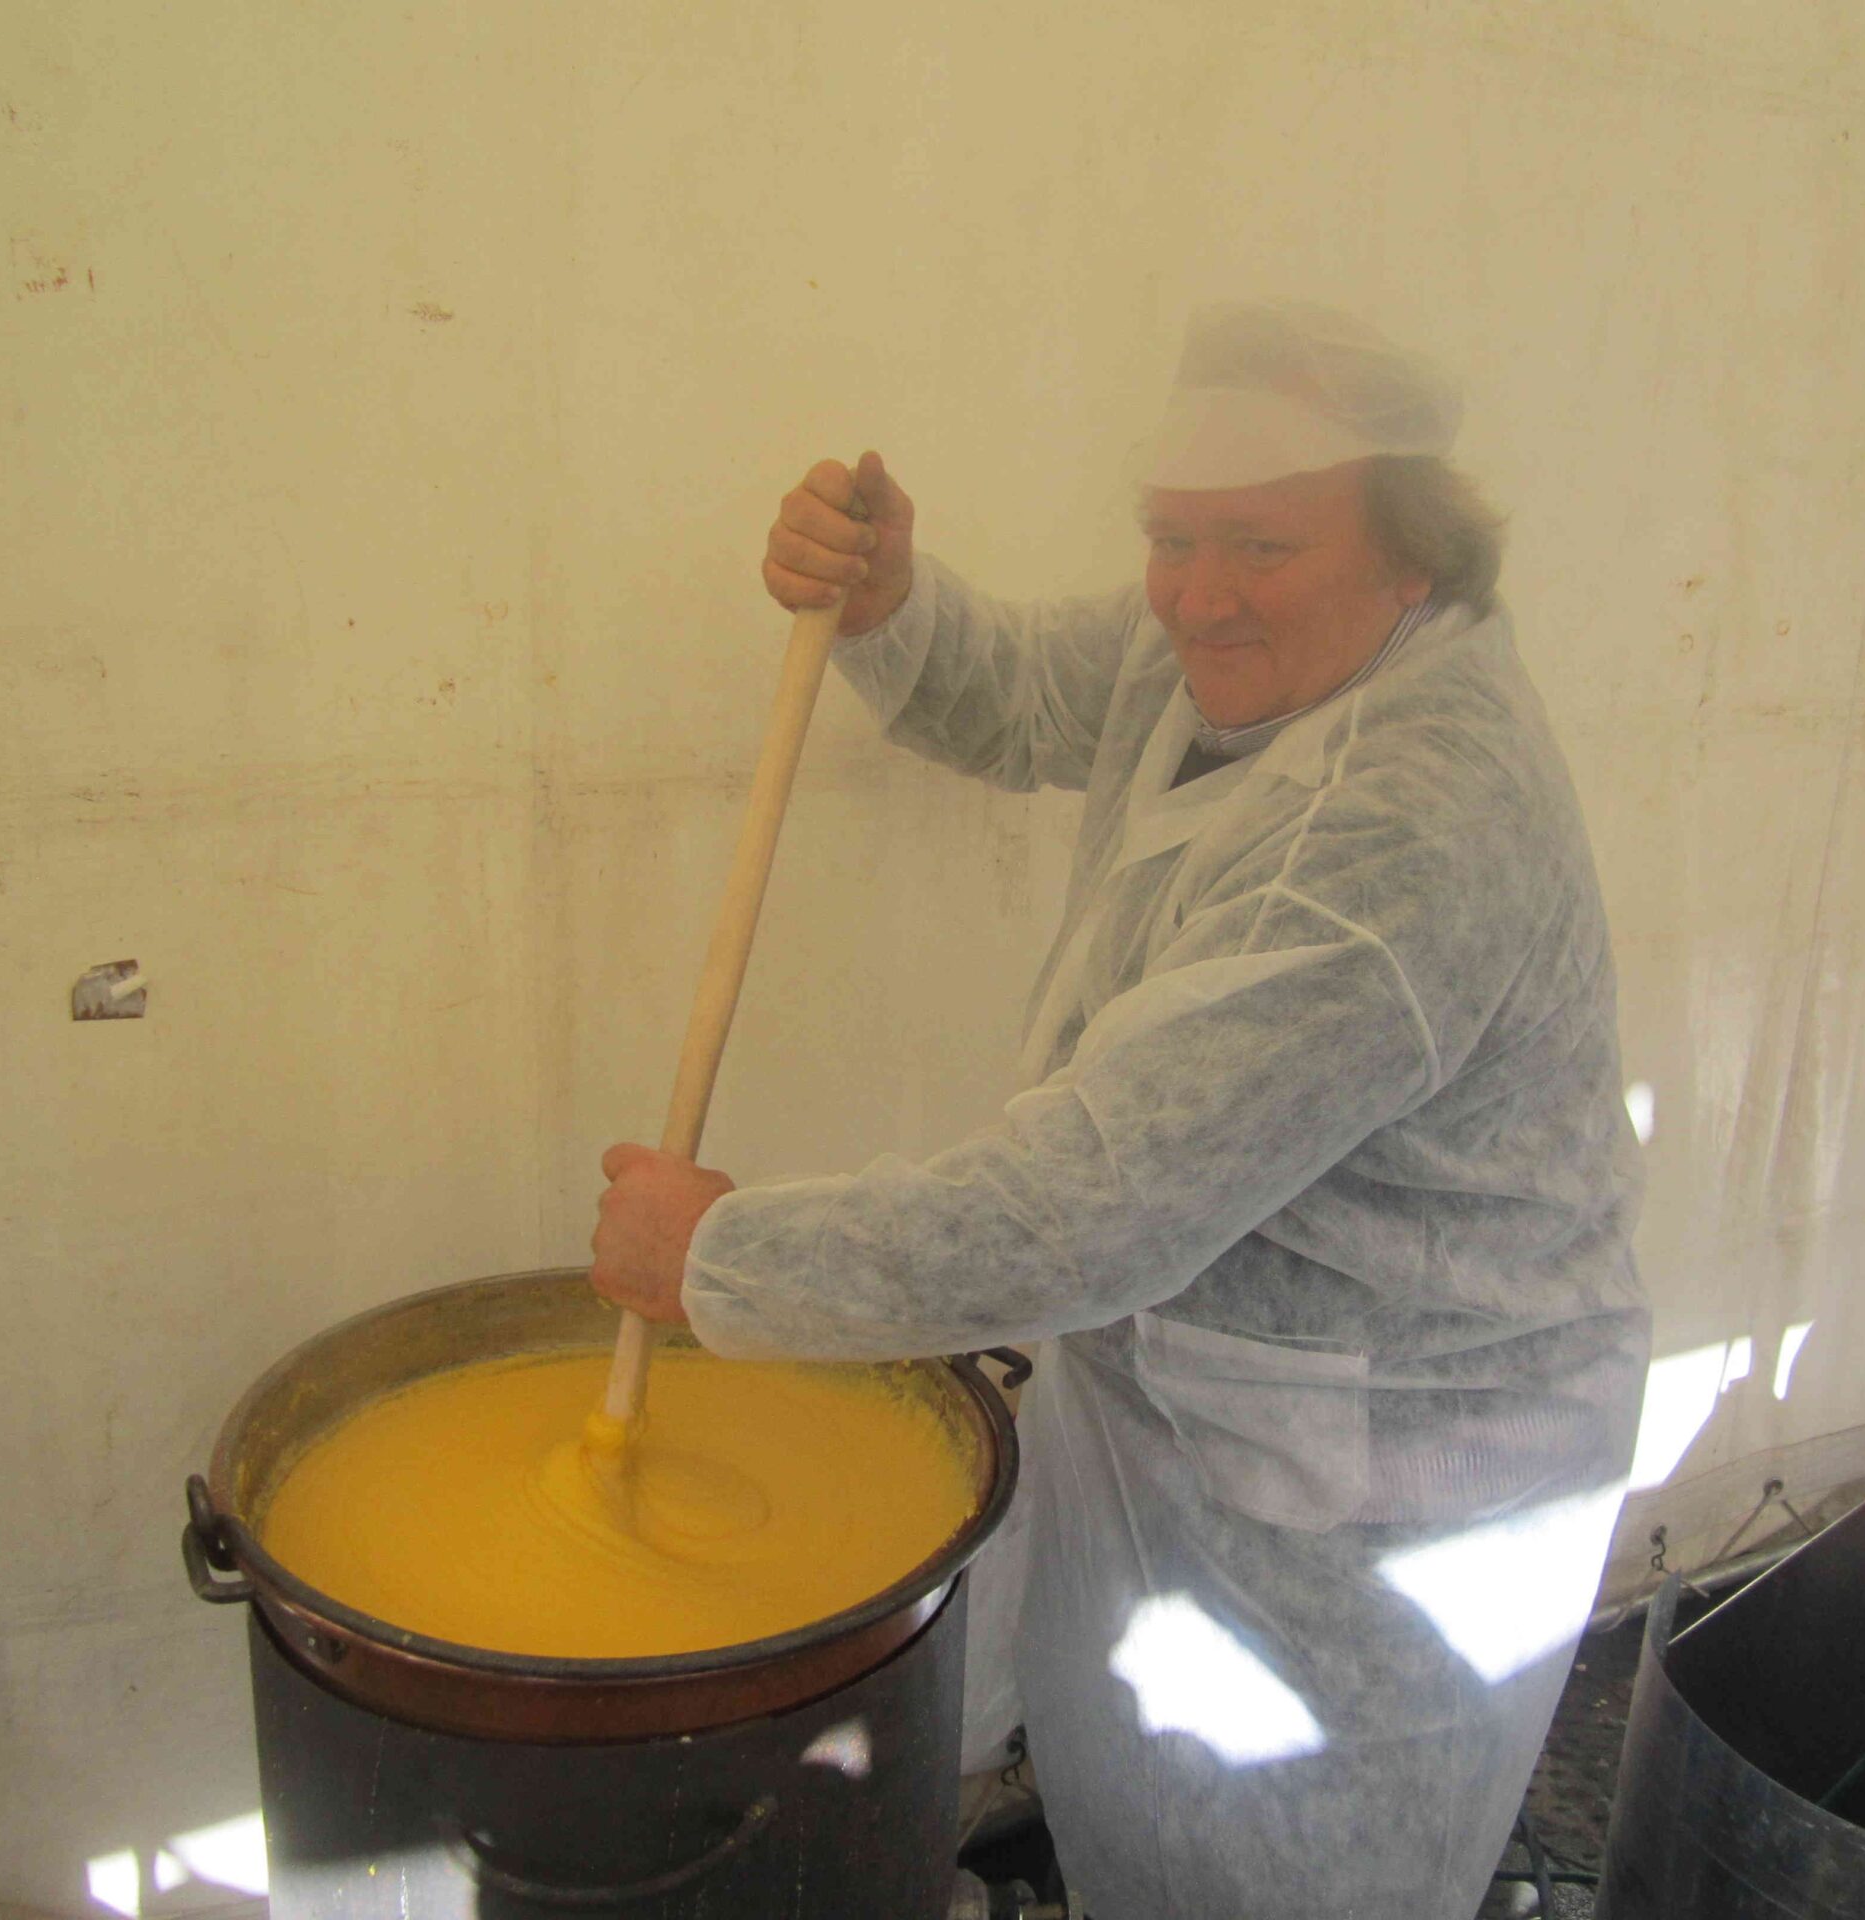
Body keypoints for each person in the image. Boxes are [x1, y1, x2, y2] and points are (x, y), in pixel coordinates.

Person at [589, 299, 1649, 1920]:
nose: (1198, 597)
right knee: (1141, 1809)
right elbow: (1023, 694)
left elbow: (1083, 1212)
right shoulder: (1228, 653)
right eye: (1173, 537)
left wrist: (719, 1260)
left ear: (1416, 555)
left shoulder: (1410, 831)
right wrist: (889, 606)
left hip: (1386, 1492)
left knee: (1293, 1876)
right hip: (1198, 1402)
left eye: (1262, 547)